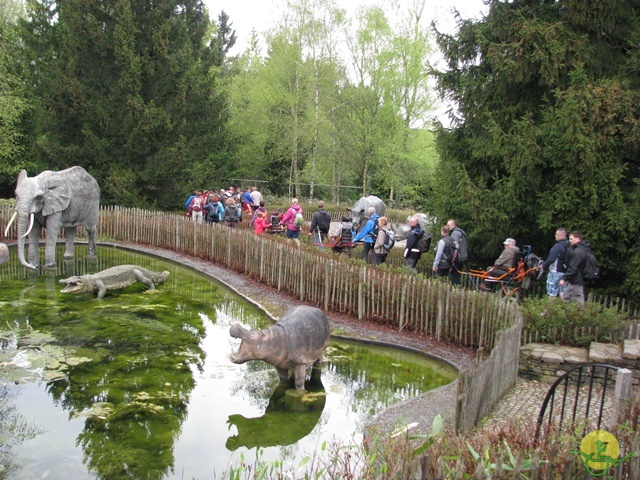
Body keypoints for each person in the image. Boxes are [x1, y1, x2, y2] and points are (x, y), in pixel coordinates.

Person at [560, 231, 590, 304]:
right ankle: (568, 314)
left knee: (572, 300)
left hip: (576, 280)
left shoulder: (578, 252)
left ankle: (578, 315)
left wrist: (564, 279)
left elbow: (573, 267)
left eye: (571, 239)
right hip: (576, 280)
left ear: (578, 239)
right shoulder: (583, 249)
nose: (569, 241)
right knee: (567, 299)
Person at [540, 228, 570, 298]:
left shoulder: (558, 246)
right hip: (565, 273)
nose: (555, 236)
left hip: (555, 272)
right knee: (563, 293)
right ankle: (565, 308)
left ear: (561, 236)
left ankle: (550, 308)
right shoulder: (569, 245)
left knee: (552, 293)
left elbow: (551, 259)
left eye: (556, 235)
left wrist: (543, 265)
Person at [446, 219, 468, 285]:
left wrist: (452, 260)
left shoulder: (455, 233)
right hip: (463, 256)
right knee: (457, 275)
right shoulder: (461, 232)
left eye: (448, 225)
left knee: (453, 275)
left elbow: (455, 247)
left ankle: (456, 289)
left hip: (457, 258)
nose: (447, 227)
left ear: (453, 225)